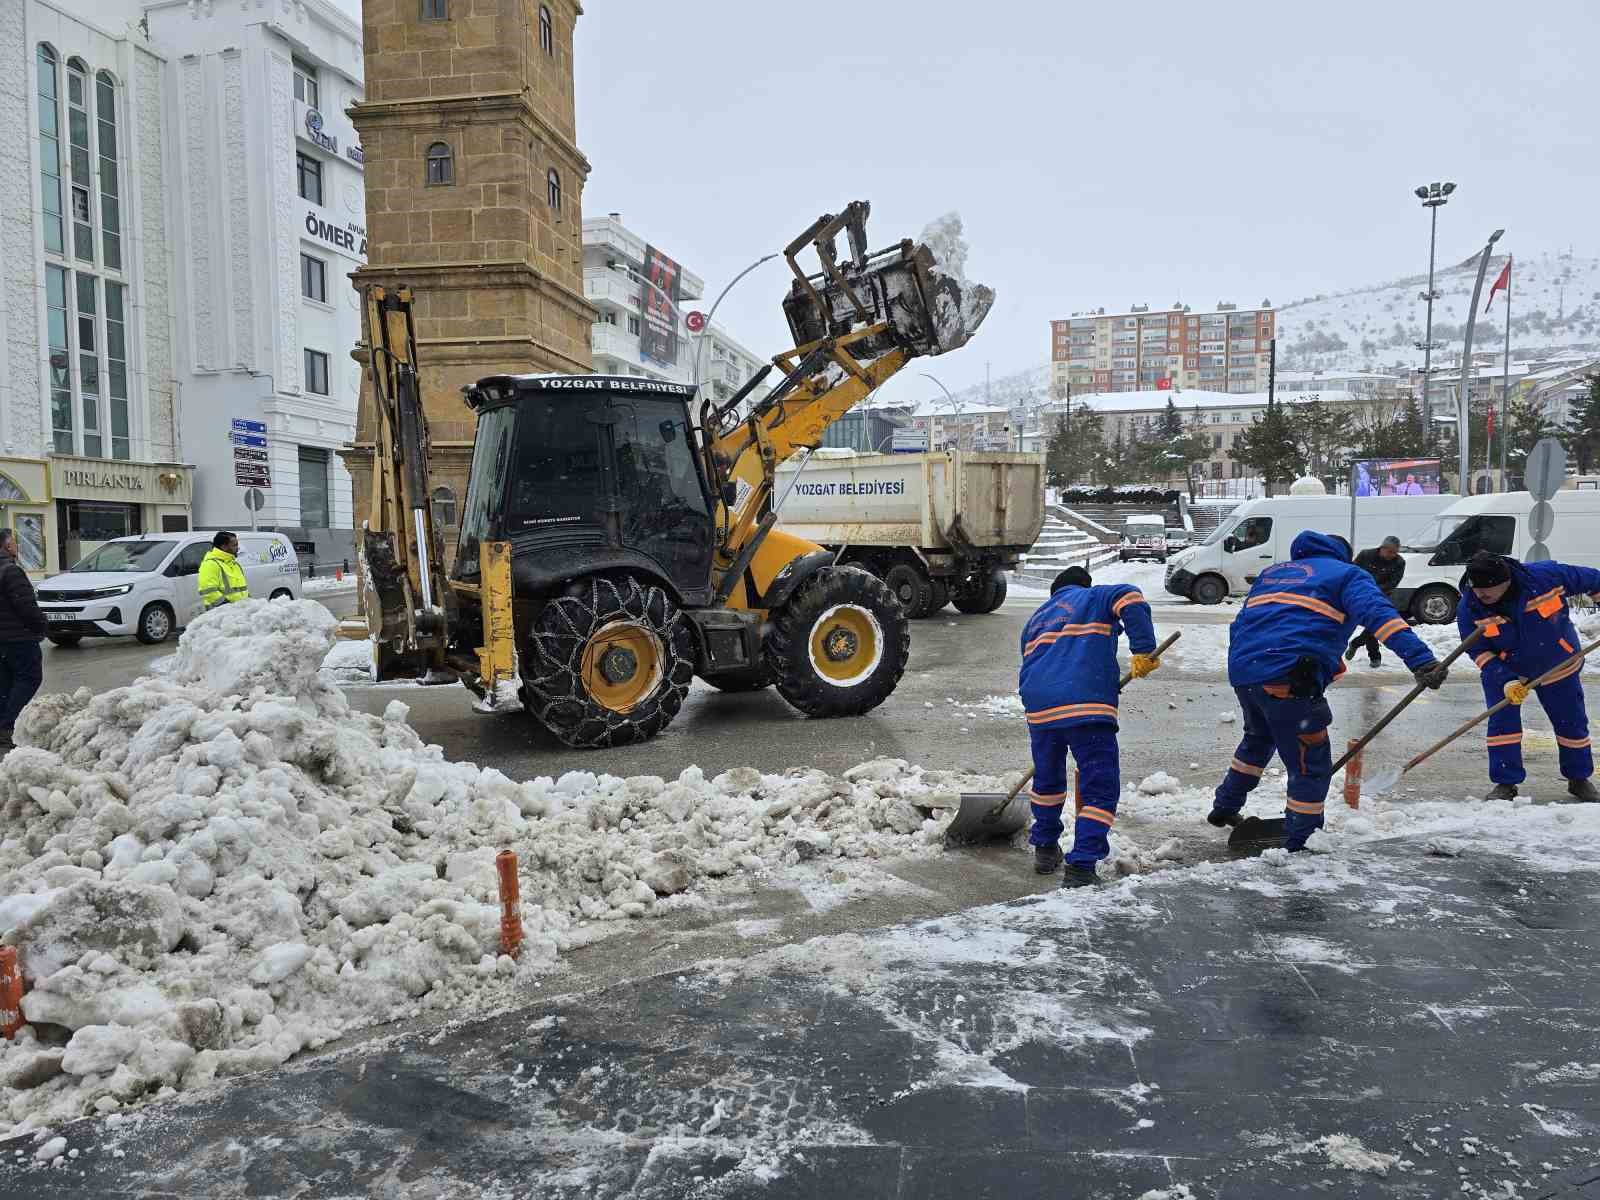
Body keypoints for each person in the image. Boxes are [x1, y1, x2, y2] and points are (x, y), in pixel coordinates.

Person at [1209, 530, 1448, 850]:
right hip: (1289, 674)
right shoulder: (1347, 575)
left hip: (1245, 671)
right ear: (1343, 554)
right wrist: (1422, 662)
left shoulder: (1274, 574)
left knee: (1259, 737)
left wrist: (1250, 666)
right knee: (1310, 758)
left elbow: (1242, 623)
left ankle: (1225, 806)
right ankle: (1301, 837)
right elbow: (1382, 618)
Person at [1019, 565, 1159, 887]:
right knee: (1099, 784)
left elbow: (1036, 663)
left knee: (1048, 780)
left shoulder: (1037, 619)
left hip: (1040, 707)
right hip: (1086, 703)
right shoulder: (1095, 596)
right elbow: (1131, 596)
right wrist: (1142, 650)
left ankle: (1044, 847)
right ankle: (1082, 865)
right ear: (1082, 585)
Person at [1456, 550, 1600, 803]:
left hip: (1558, 663)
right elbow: (1477, 650)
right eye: (1476, 589)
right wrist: (1505, 678)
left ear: (1506, 580)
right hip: (1506, 670)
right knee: (1503, 727)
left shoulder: (1546, 577)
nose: (1481, 595)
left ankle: (1579, 778)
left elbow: (1595, 580)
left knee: (1571, 722)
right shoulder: (1470, 606)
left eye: (1487, 589)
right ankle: (1505, 782)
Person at [0, 528, 45, 751]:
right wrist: (42, 626)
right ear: (7, 546)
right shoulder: (11, 571)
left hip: (3, 640)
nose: (16, 546)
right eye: (13, 542)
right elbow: (27, 607)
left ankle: (4, 726)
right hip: (18, 638)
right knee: (29, 678)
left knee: (6, 683)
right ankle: (9, 727)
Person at [1345, 535, 1408, 668]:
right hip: (1360, 594)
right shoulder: (1365, 555)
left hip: (1381, 596)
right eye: (1390, 551)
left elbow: (1392, 583)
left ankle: (1361, 647)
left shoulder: (1399, 562)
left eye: (1395, 552)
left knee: (1375, 624)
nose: (1392, 555)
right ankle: (1371, 654)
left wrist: (1374, 591)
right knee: (1368, 624)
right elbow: (1353, 572)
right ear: (1382, 548)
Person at [198, 531, 249, 610]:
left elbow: (243, 590)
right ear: (224, 547)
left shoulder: (235, 564)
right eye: (234, 545)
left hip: (238, 614)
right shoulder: (210, 564)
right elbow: (209, 592)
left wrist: (249, 603)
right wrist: (227, 608)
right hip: (221, 616)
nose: (238, 548)